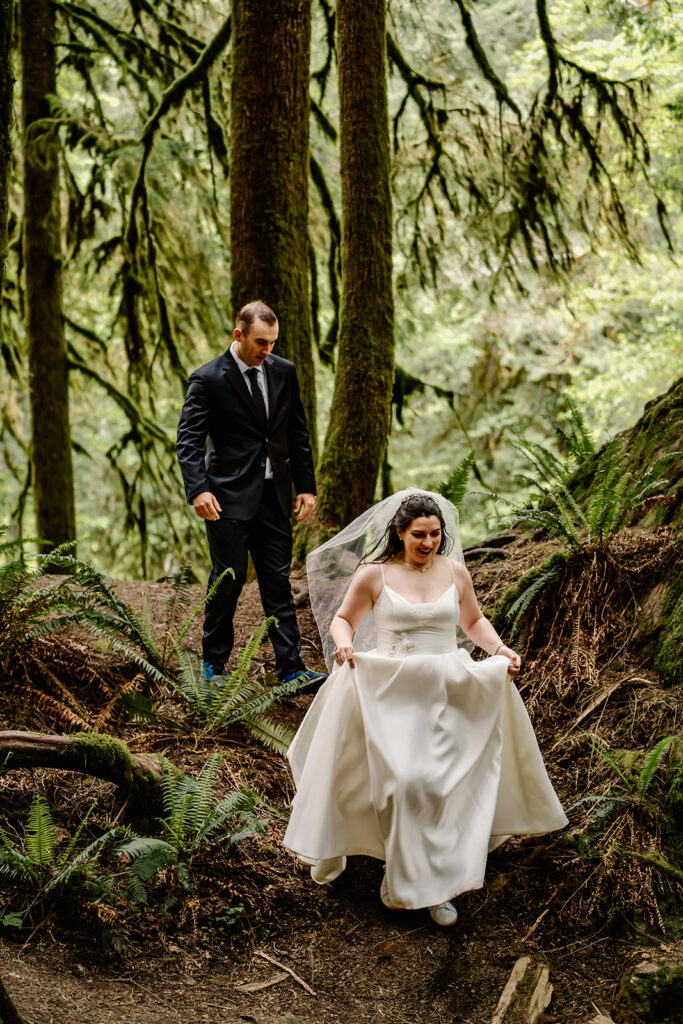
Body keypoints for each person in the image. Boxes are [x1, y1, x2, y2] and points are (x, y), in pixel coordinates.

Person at [283, 490, 567, 927]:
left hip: (450, 687)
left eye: (435, 534)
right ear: (399, 533)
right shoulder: (374, 574)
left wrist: (500, 650)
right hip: (392, 690)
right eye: (419, 534)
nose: (429, 542)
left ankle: (432, 886)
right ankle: (405, 873)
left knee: (442, 785)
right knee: (403, 783)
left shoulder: (455, 573)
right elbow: (344, 620)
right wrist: (343, 646)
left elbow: (472, 622)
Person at [176, 299, 325, 690]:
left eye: (273, 342)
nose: (267, 351)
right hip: (225, 498)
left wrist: (306, 487)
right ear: (238, 334)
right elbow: (188, 442)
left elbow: (297, 432)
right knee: (230, 578)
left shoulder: (284, 372)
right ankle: (214, 666)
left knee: (277, 579)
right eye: (261, 342)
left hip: (275, 496)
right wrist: (198, 491)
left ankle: (291, 669)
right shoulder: (207, 379)